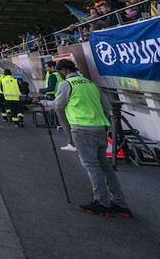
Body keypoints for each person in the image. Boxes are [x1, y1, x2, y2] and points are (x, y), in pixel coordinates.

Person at [32, 60, 131, 217]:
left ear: (64, 70)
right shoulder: (90, 83)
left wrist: (41, 101)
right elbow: (107, 105)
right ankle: (119, 202)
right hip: (100, 128)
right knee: (105, 166)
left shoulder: (67, 84)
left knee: (92, 166)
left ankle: (101, 202)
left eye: (59, 72)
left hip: (82, 128)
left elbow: (59, 104)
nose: (59, 75)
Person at [42, 61, 75, 151]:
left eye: (47, 67)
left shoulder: (53, 76)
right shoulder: (87, 82)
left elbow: (51, 89)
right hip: (70, 99)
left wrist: (42, 94)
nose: (46, 69)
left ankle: (71, 143)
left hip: (58, 99)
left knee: (65, 124)